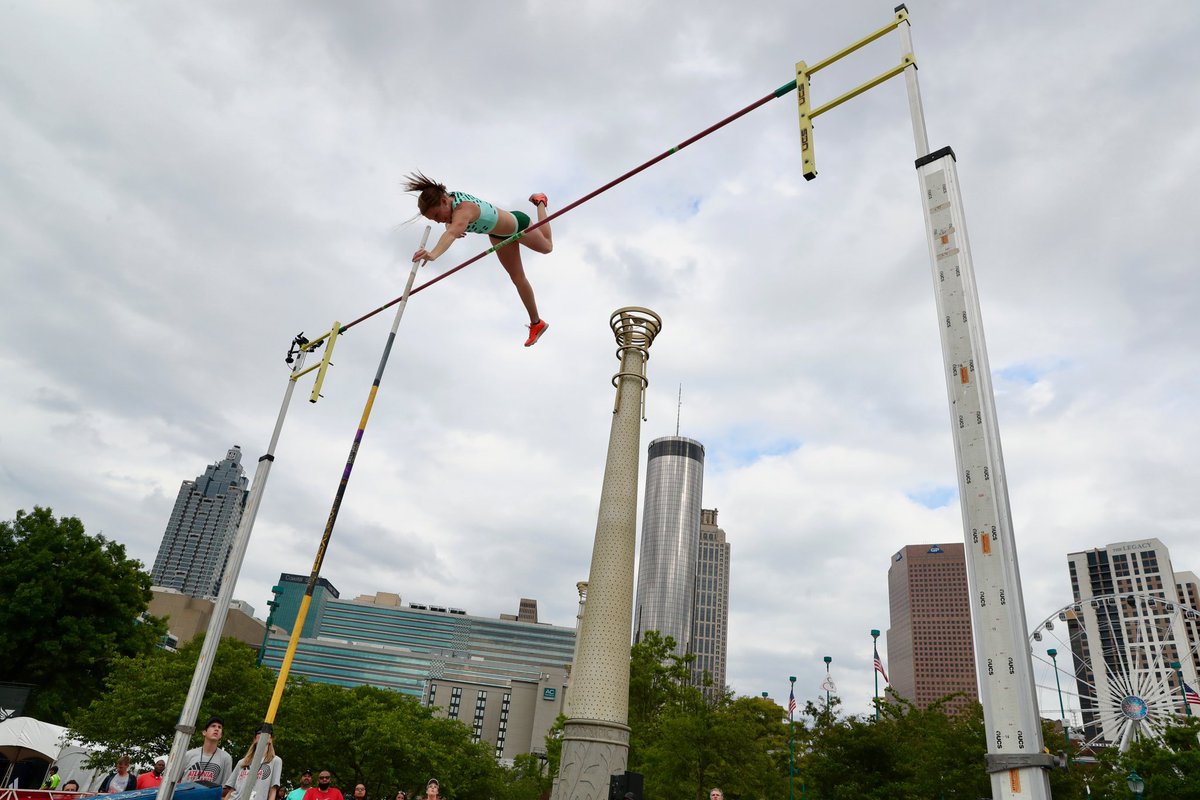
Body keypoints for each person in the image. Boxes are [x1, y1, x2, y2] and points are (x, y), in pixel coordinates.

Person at [405, 173, 554, 347]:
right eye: (434, 219)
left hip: (517, 223)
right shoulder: (449, 202)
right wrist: (449, 224)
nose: (438, 221)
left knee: (547, 247)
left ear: (444, 202)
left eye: (437, 215)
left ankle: (540, 202)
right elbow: (451, 226)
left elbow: (451, 233)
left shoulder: (463, 209)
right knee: (517, 279)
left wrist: (432, 254)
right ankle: (537, 323)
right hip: (498, 236)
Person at [181, 715, 237, 798]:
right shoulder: (189, 754)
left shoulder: (226, 758)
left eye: (220, 727)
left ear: (221, 735)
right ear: (204, 732)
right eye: (213, 726)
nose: (217, 729)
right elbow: (173, 781)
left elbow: (226, 788)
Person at [233, 728, 282, 800]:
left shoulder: (275, 761)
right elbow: (231, 789)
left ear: (270, 739)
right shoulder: (242, 762)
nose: (264, 734)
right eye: (260, 732)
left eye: (267, 733)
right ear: (255, 739)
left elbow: (273, 790)